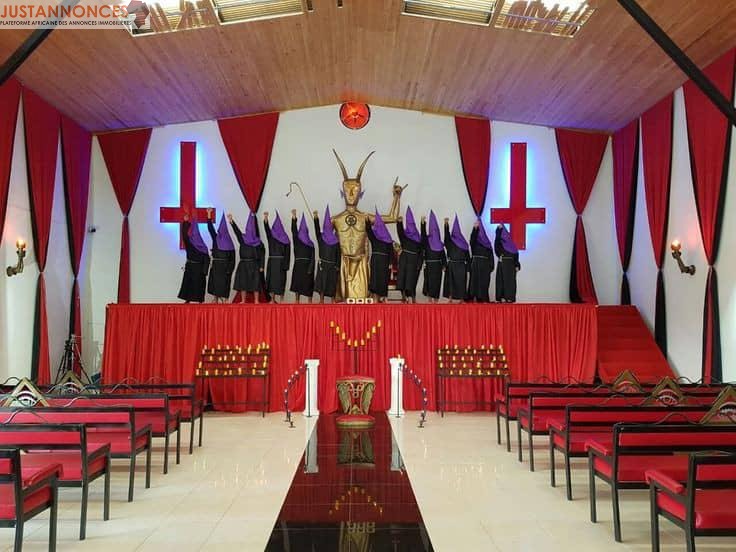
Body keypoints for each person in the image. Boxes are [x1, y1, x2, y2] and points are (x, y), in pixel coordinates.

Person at [230, 212, 265, 303]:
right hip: (243, 264)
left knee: (256, 283)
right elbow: (237, 232)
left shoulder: (258, 242)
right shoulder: (242, 239)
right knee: (243, 282)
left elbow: (262, 254)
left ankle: (256, 300)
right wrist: (232, 221)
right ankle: (243, 300)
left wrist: (262, 266)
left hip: (254, 264)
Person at [177, 213, 210, 303]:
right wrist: (186, 222)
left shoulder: (202, 246)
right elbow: (184, 235)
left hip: (198, 269)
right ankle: (188, 300)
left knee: (199, 285)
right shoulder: (192, 244)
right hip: (190, 268)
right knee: (188, 284)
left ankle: (199, 300)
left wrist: (205, 271)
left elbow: (207, 259)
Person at [206, 210, 236, 303]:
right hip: (216, 265)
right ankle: (215, 298)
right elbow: (210, 228)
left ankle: (225, 299)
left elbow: (232, 258)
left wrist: (230, 269)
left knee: (225, 282)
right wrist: (209, 214)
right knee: (215, 282)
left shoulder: (230, 242)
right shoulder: (216, 238)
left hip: (225, 266)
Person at [313, 206, 341, 303]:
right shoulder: (321, 238)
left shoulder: (336, 241)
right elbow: (317, 230)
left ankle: (332, 300)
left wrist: (337, 266)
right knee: (322, 283)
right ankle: (321, 300)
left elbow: (338, 254)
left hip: (332, 266)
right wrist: (316, 218)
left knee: (332, 283)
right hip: (323, 265)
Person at [396, 206, 423, 303]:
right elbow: (400, 232)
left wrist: (419, 263)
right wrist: (399, 223)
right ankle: (404, 296)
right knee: (402, 278)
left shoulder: (418, 238)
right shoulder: (404, 235)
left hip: (413, 261)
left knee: (412, 280)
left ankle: (412, 297)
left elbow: (421, 252)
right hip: (404, 259)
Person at [264, 211, 291, 303]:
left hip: (281, 264)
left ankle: (282, 299)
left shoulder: (286, 239)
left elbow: (288, 254)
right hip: (272, 262)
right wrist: (266, 219)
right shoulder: (271, 237)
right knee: (272, 282)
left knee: (281, 281)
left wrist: (286, 266)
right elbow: (267, 230)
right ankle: (272, 299)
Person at [366, 210, 393, 302]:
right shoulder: (374, 236)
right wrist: (367, 222)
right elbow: (369, 231)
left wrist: (390, 263)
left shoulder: (388, 238)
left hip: (384, 261)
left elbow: (391, 251)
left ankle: (382, 296)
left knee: (383, 278)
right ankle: (375, 297)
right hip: (376, 261)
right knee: (374, 278)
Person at [443, 215, 470, 303]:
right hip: (453, 264)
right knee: (450, 282)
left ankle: (461, 298)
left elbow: (467, 256)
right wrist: (446, 225)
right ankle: (450, 298)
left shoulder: (463, 243)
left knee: (461, 282)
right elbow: (447, 237)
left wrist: (468, 268)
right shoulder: (451, 241)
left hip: (461, 265)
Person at [290, 210, 315, 303]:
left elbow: (313, 257)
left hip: (307, 266)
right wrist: (294, 217)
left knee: (309, 284)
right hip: (298, 265)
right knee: (297, 283)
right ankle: (297, 300)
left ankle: (309, 301)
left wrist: (311, 268)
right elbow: (294, 231)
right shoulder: (297, 240)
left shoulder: (311, 244)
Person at [467, 219, 495, 303]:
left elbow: (491, 255)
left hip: (485, 267)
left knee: (484, 283)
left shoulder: (487, 243)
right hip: (475, 264)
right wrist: (475, 229)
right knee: (474, 282)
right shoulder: (475, 242)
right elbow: (472, 239)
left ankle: (483, 298)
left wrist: (491, 266)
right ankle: (473, 298)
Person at [421, 211, 446, 303]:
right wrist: (423, 223)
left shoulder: (439, 243)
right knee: (428, 281)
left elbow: (443, 255)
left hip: (437, 266)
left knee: (437, 282)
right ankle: (430, 299)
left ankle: (436, 299)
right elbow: (423, 235)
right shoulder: (427, 240)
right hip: (428, 265)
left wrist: (444, 265)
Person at [495, 224, 521, 303]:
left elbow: (516, 256)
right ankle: (502, 297)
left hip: (511, 265)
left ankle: (509, 297)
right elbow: (496, 243)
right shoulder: (500, 244)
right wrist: (499, 230)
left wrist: (517, 265)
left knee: (510, 282)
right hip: (502, 264)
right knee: (501, 281)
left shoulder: (513, 245)